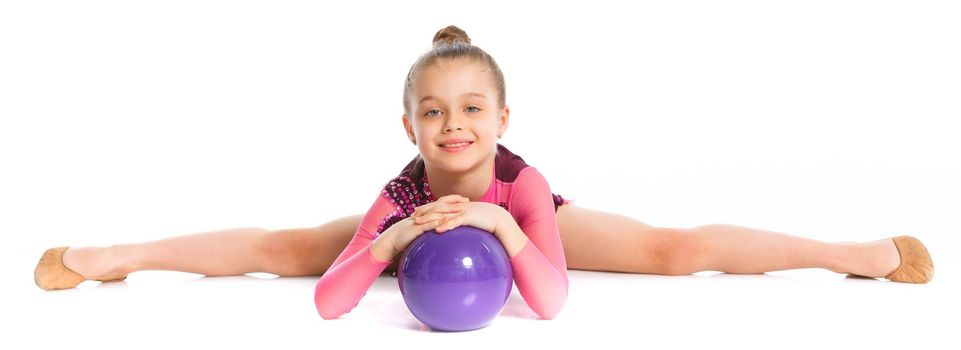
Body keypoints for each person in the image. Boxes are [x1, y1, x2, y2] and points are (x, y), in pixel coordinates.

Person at [34, 26, 934, 319]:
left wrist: (506, 226)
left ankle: (853, 252)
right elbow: (329, 305)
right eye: (434, 112)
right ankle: (114, 256)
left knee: (673, 246)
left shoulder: (521, 179)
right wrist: (384, 239)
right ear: (410, 126)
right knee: (285, 245)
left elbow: (546, 301)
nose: (453, 124)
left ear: (501, 121)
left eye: (471, 109)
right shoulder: (403, 190)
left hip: (514, 214)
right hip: (414, 225)